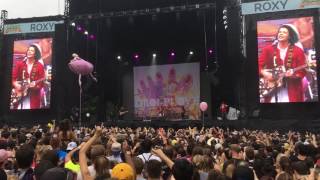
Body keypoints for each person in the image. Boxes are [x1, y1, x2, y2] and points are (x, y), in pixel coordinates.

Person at [259, 24, 306, 103]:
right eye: (280, 32)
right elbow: (258, 65)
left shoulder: (298, 51)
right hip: (272, 89)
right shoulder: (268, 49)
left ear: (290, 36)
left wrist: (293, 75)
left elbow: (302, 72)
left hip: (291, 90)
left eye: (284, 32)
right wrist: (264, 73)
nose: (281, 33)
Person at [11, 44, 45, 109]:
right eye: (28, 50)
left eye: (32, 51)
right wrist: (16, 84)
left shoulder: (40, 66)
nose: (29, 51)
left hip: (33, 96)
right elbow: (13, 78)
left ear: (35, 54)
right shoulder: (19, 64)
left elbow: (41, 83)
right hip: (19, 95)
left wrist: (34, 86)